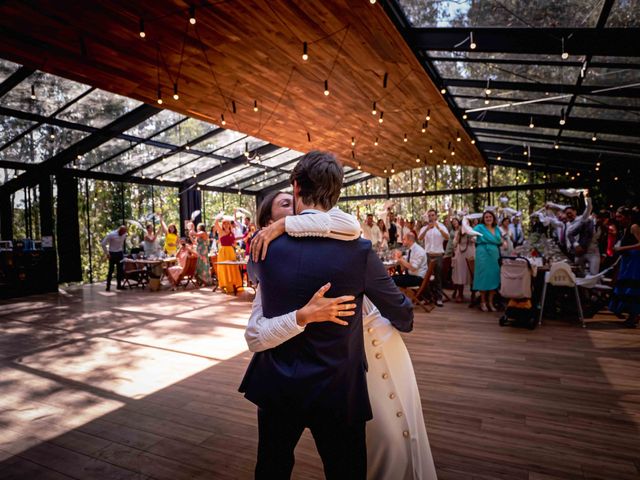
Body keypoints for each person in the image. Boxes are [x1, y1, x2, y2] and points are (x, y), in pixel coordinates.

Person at [239, 151, 414, 480]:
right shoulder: (359, 252)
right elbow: (401, 312)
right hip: (337, 387)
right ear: (337, 193)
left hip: (276, 383)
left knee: (272, 469)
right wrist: (400, 317)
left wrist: (282, 225)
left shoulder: (263, 248)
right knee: (345, 472)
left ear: (295, 187)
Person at [609, 208, 640, 328]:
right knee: (624, 287)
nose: (617, 219)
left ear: (628, 217)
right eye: (616, 217)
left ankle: (633, 316)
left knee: (631, 288)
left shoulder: (634, 227)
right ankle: (630, 315)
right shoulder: (624, 229)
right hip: (627, 261)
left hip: (634, 262)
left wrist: (623, 249)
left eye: (620, 217)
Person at [418, 209, 449, 307]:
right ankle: (428, 297)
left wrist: (438, 228)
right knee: (426, 277)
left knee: (438, 278)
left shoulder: (442, 226)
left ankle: (439, 298)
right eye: (429, 215)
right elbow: (420, 238)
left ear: (436, 216)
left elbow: (447, 237)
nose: (431, 217)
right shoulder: (424, 228)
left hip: (438, 255)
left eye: (432, 215)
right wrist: (427, 229)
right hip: (427, 255)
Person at [473, 211, 502, 312]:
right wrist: (473, 238)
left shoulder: (497, 228)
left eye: (490, 217)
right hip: (482, 254)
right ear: (483, 219)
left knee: (493, 277)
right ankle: (483, 302)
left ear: (493, 218)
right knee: (483, 277)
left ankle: (490, 302)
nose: (488, 218)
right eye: (486, 217)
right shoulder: (479, 227)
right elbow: (471, 234)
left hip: (494, 255)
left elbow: (500, 241)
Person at [214, 216, 243, 294]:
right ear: (222, 225)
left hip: (231, 251)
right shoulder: (220, 231)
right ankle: (224, 285)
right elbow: (216, 223)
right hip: (223, 251)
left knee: (232, 267)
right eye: (224, 224)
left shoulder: (232, 232)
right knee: (224, 268)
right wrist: (219, 216)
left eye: (227, 223)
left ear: (230, 225)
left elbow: (234, 243)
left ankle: (233, 284)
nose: (226, 225)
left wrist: (235, 246)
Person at [451, 218, 472, 302]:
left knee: (471, 273)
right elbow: (454, 243)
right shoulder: (458, 232)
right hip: (460, 254)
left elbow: (476, 240)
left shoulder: (473, 231)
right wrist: (459, 235)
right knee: (460, 273)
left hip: (470, 253)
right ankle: (460, 294)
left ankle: (473, 294)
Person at [101, 225, 127, 291]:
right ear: (119, 230)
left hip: (120, 254)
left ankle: (119, 285)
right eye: (122, 233)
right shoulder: (111, 234)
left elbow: (121, 243)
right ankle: (108, 286)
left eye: (124, 233)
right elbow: (103, 243)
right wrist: (107, 253)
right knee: (111, 270)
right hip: (112, 254)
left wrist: (121, 251)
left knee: (120, 270)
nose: (123, 234)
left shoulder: (124, 234)